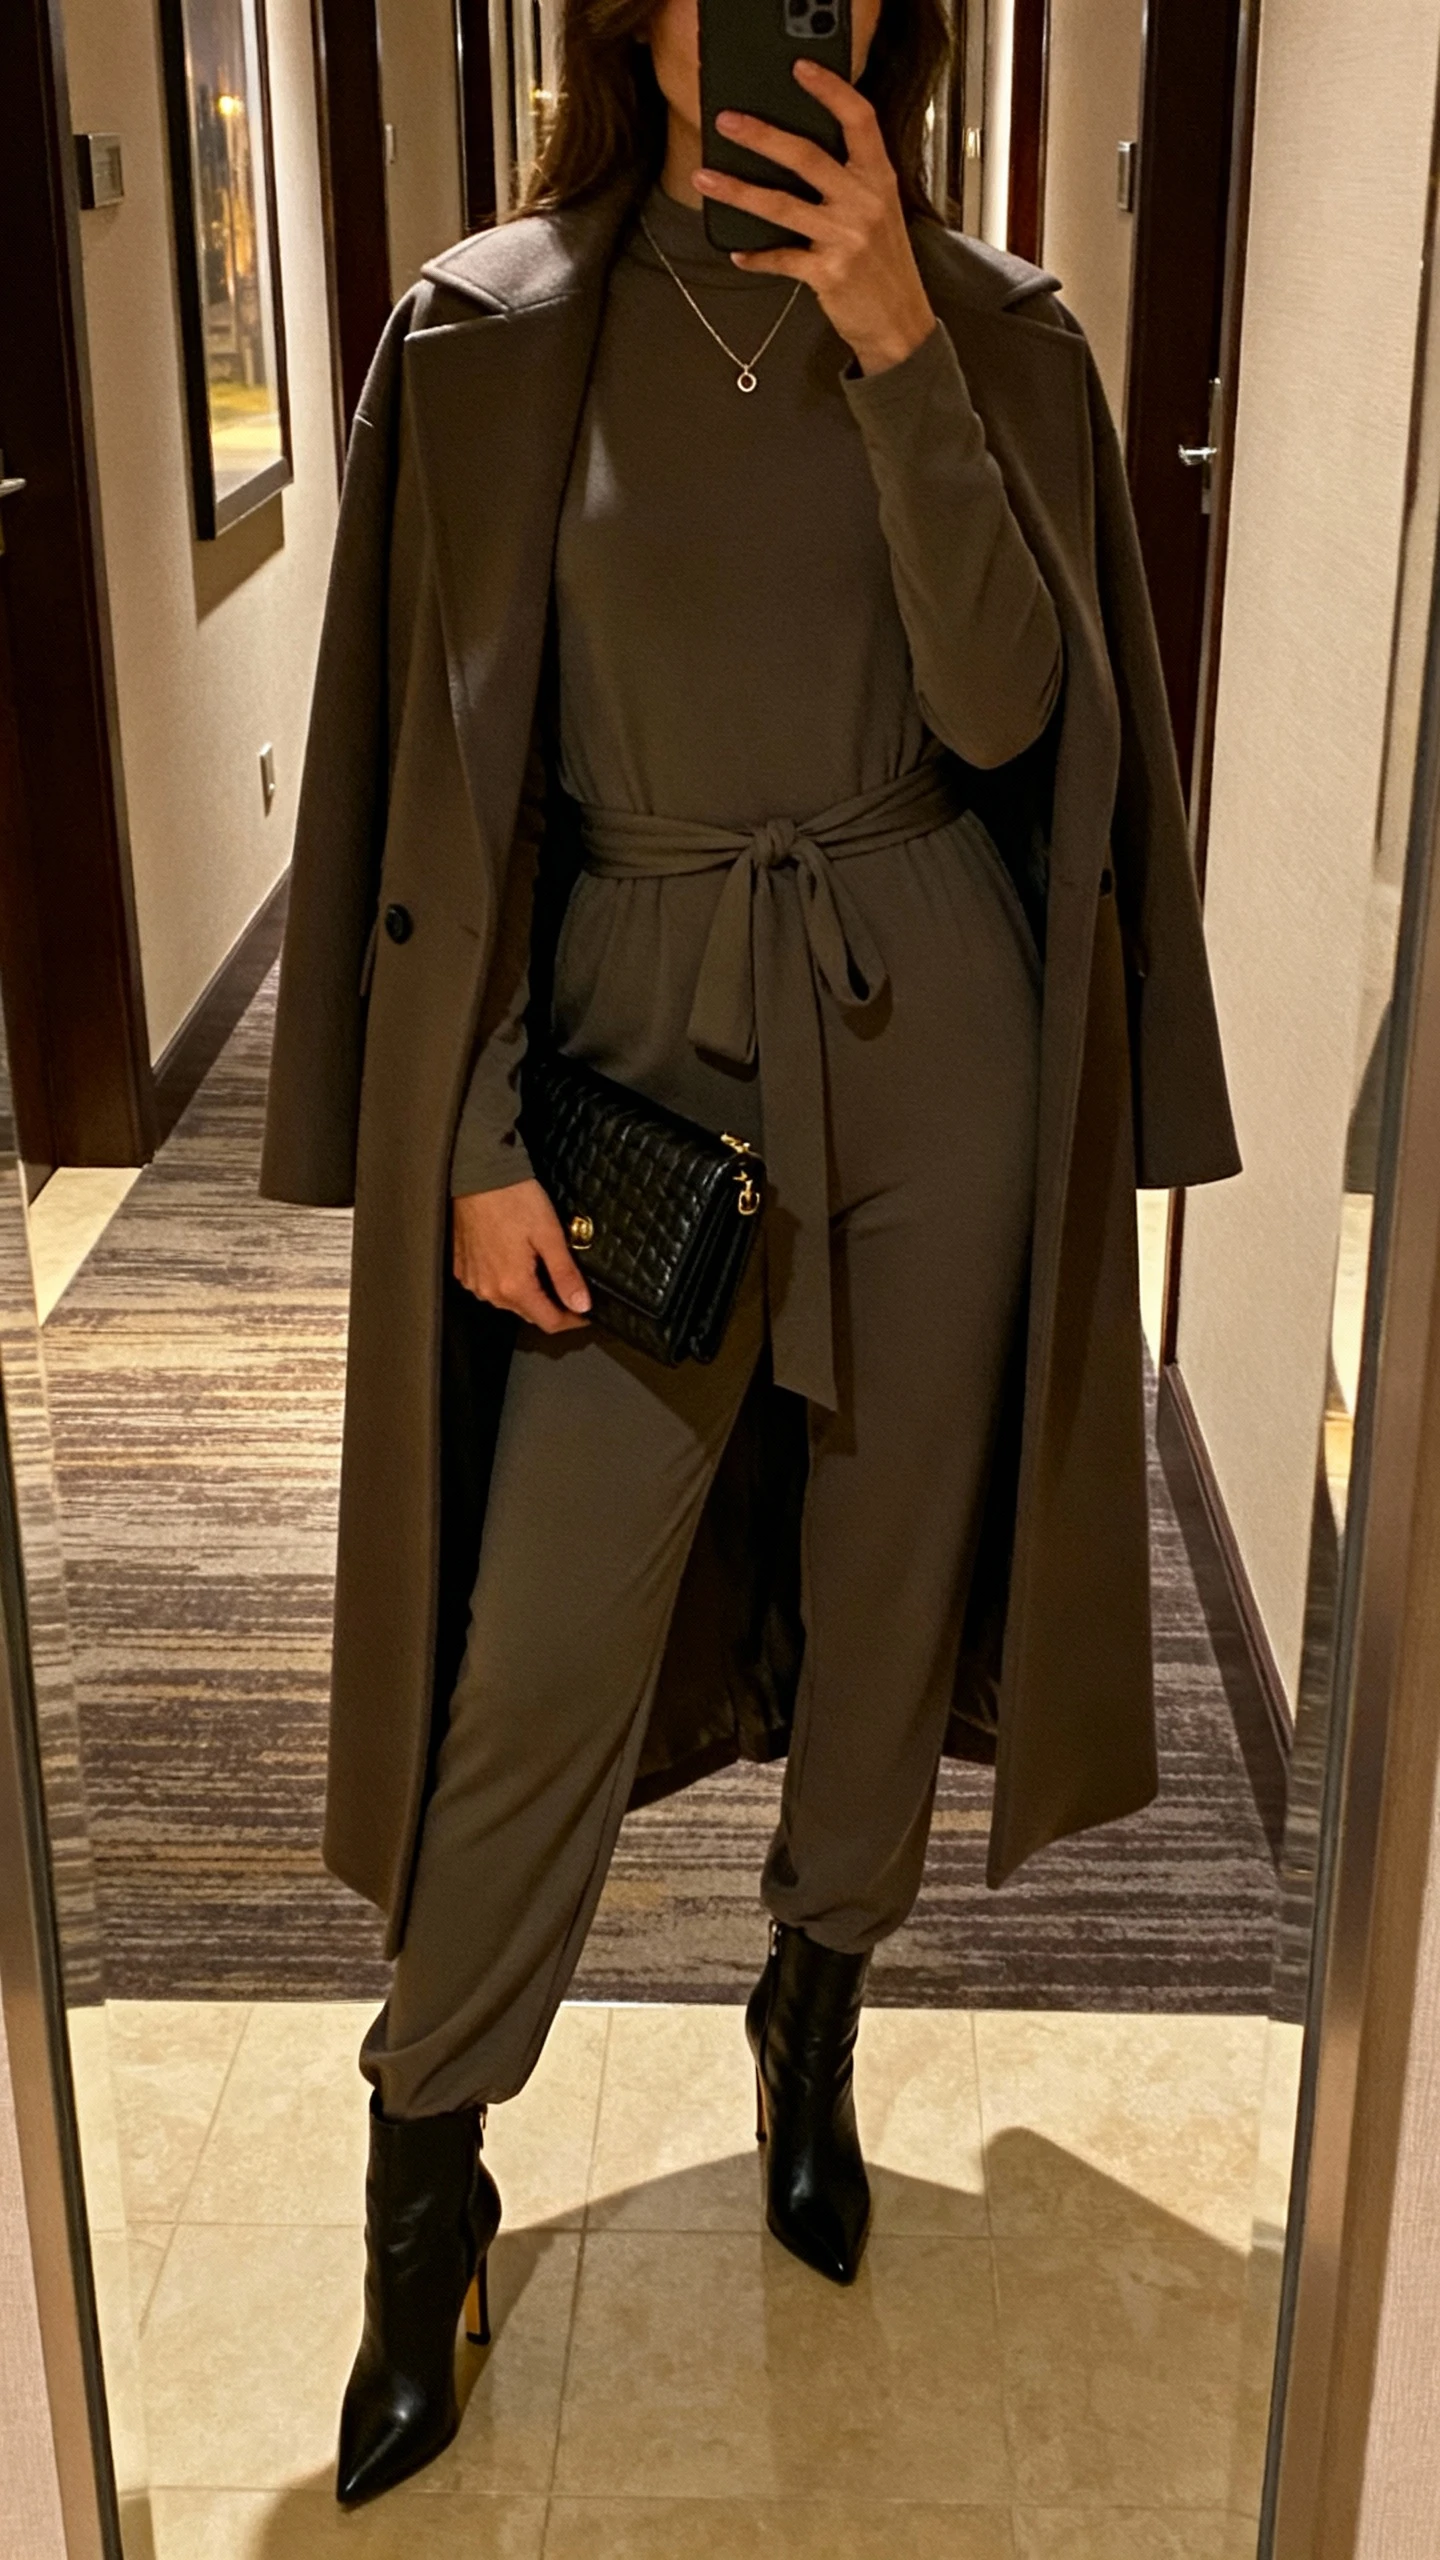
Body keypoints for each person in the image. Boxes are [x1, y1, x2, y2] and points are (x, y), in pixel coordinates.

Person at [261, 0, 1241, 2509]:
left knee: (892, 1605)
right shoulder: (485, 333)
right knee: (538, 1654)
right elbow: (451, 780)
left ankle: (814, 2009)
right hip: (629, 1058)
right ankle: (423, 2181)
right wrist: (470, 1128)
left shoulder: (1001, 334)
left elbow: (1013, 717)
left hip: (937, 1045)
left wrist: (902, 348)